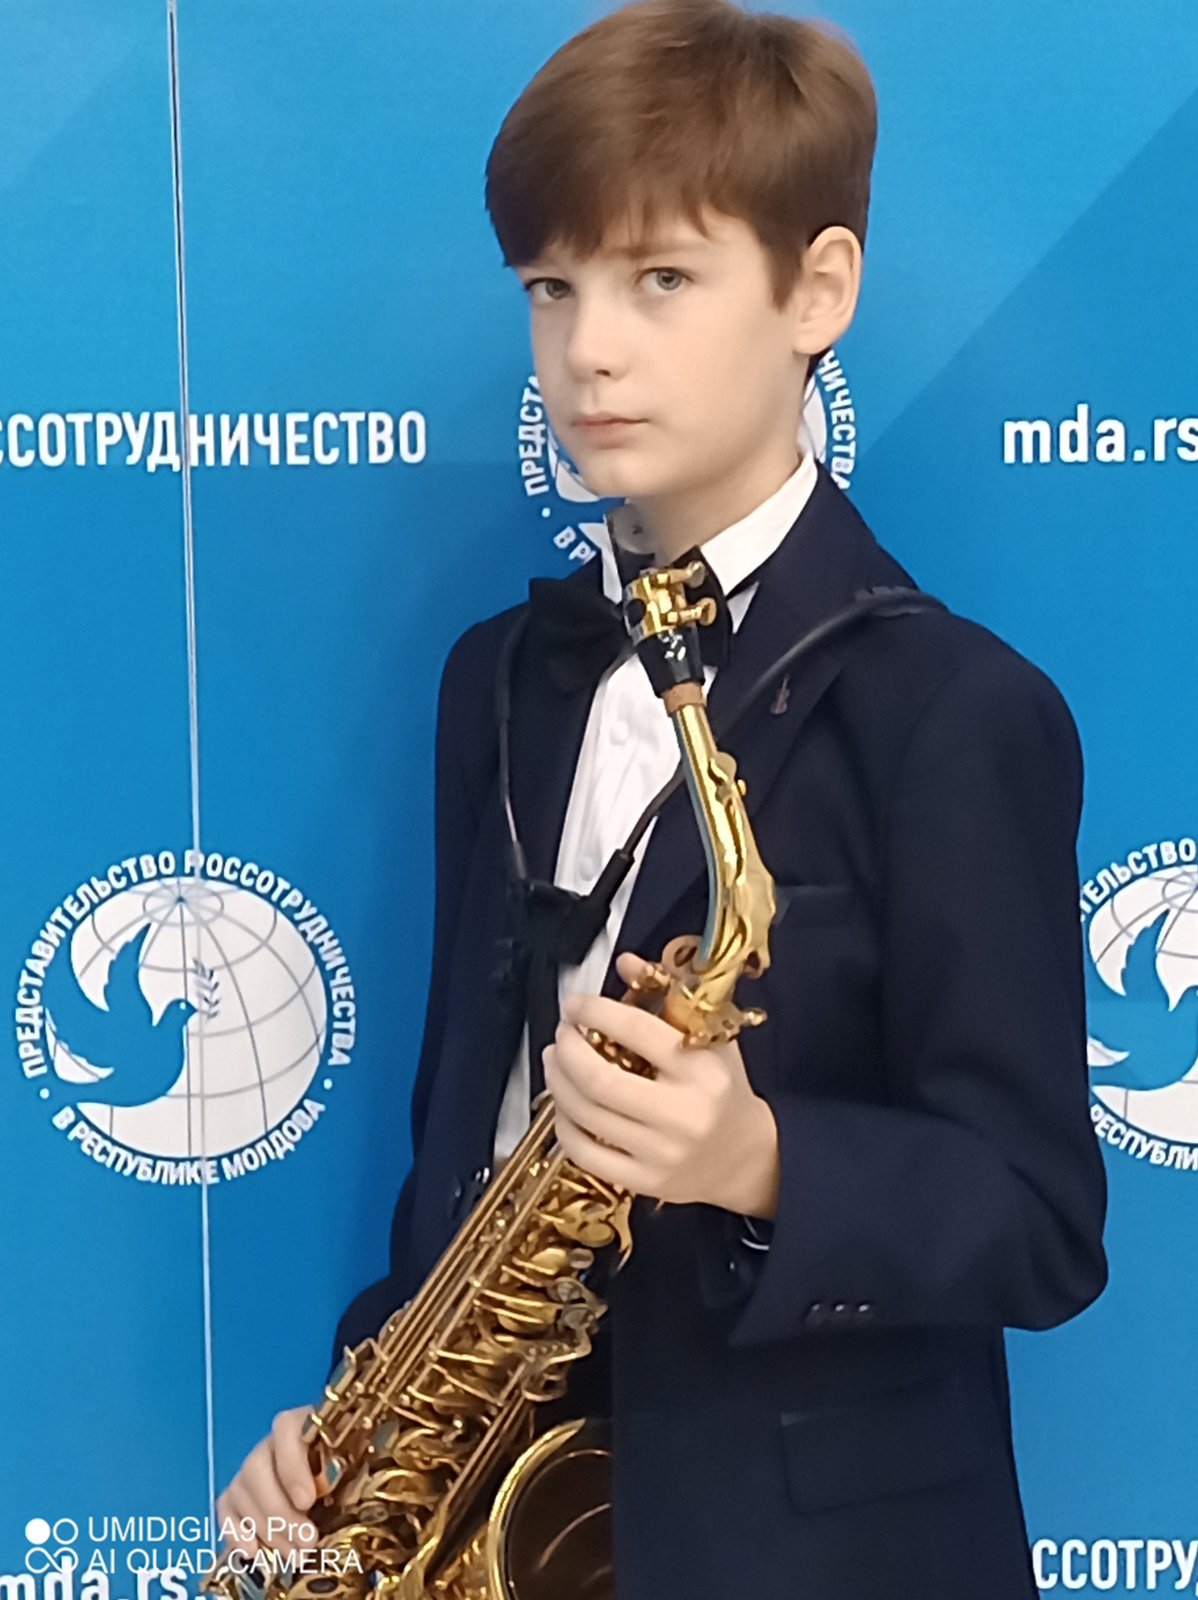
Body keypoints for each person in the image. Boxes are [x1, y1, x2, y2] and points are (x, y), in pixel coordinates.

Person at [216, 2, 1108, 1595]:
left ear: (818, 289)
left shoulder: (958, 711)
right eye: (550, 289)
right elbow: (474, 1131)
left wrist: (758, 1158)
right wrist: (360, 1419)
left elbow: (1039, 1220)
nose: (589, 351)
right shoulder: (502, 677)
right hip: (512, 1513)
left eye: (662, 279)